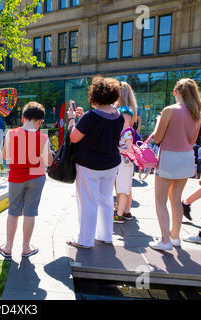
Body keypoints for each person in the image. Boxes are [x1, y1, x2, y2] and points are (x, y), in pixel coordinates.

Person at [66, 76, 124, 249]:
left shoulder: (90, 117)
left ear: (94, 95)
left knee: (88, 202)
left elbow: (74, 138)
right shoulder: (118, 116)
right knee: (106, 200)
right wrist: (83, 118)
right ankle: (106, 235)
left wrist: (72, 120)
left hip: (90, 165)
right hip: (111, 163)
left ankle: (84, 240)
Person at [149, 78, 201, 251]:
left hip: (169, 158)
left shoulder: (169, 110)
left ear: (176, 92)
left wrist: (158, 122)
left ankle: (165, 240)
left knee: (160, 200)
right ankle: (175, 236)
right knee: (176, 199)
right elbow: (192, 141)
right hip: (186, 158)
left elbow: (157, 138)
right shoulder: (196, 113)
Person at [0, 101, 53, 258]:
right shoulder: (43, 137)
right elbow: (48, 162)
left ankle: (8, 247)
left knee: (13, 211)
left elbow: (6, 157)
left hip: (16, 177)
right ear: (40, 121)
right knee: (30, 212)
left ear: (23, 118)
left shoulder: (11, 133)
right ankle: (26, 248)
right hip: (36, 177)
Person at [114, 106, 135, 224]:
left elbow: (130, 151)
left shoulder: (127, 133)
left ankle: (119, 215)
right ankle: (125, 212)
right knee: (126, 190)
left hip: (124, 164)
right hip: (124, 164)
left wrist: (116, 149)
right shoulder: (126, 131)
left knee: (122, 190)